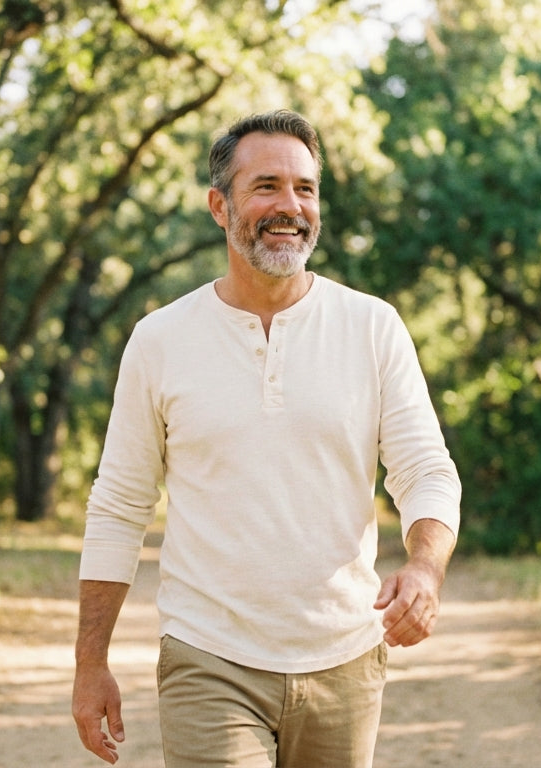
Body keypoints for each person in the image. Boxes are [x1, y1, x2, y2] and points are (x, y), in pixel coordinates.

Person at [71, 108, 461, 768]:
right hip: (209, 656)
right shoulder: (161, 340)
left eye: (305, 189)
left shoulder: (373, 327)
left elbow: (425, 468)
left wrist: (424, 565)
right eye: (267, 187)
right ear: (219, 207)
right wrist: (90, 665)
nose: (291, 206)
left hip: (345, 657)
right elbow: (120, 506)